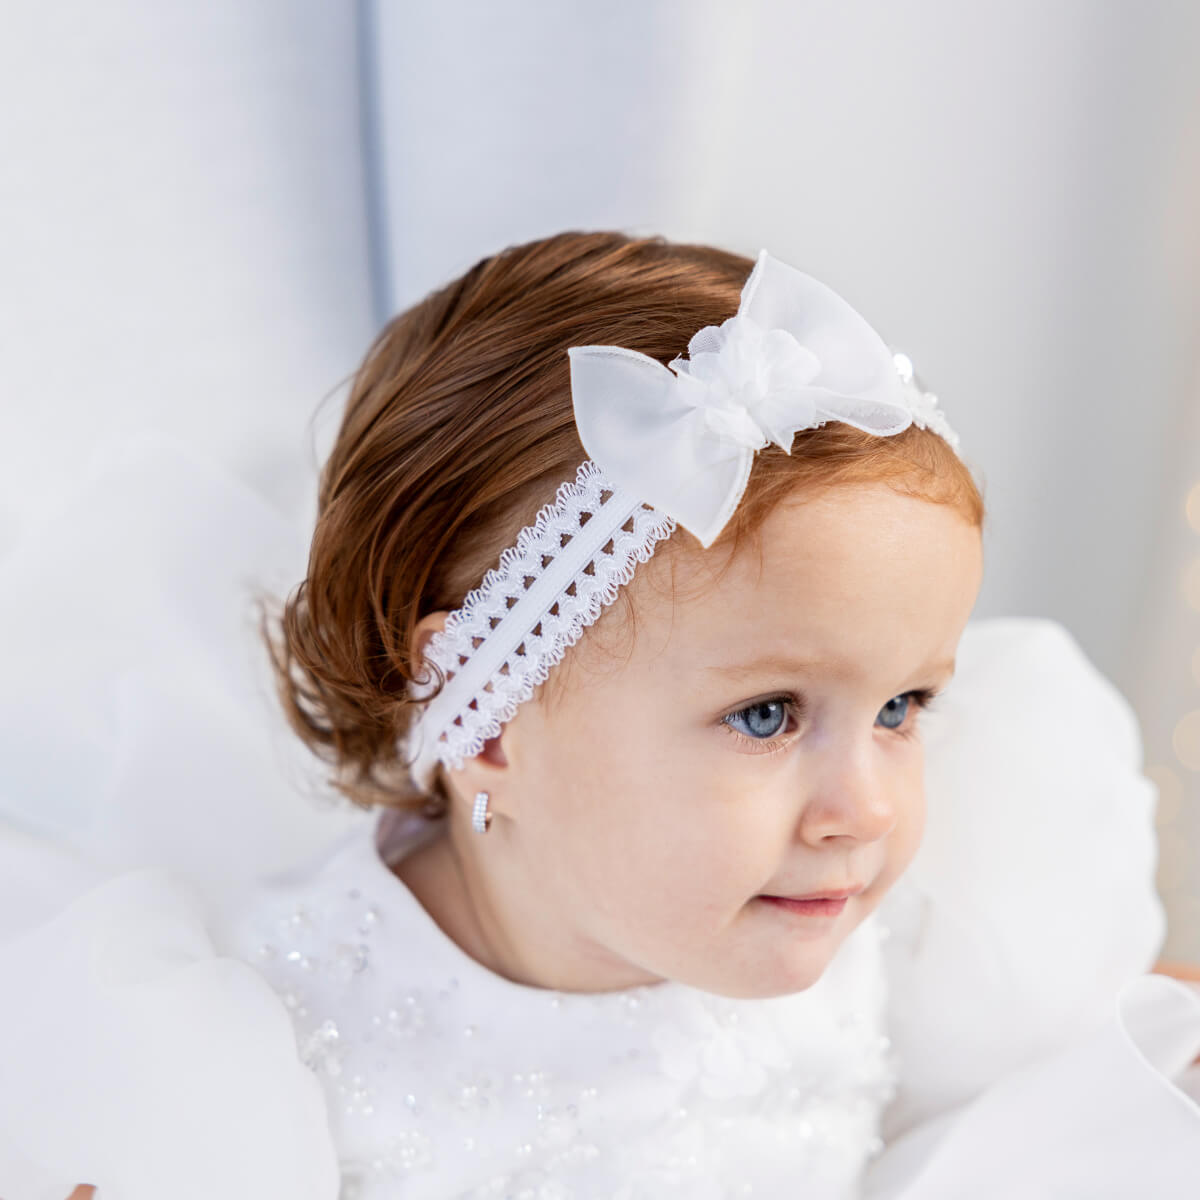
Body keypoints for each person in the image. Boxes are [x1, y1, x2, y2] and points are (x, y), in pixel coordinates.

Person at [2, 232, 1198, 1200]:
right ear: (486, 716)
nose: (865, 807)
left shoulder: (836, 920)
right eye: (770, 715)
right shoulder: (280, 1047)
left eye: (901, 705)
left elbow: (990, 1094)